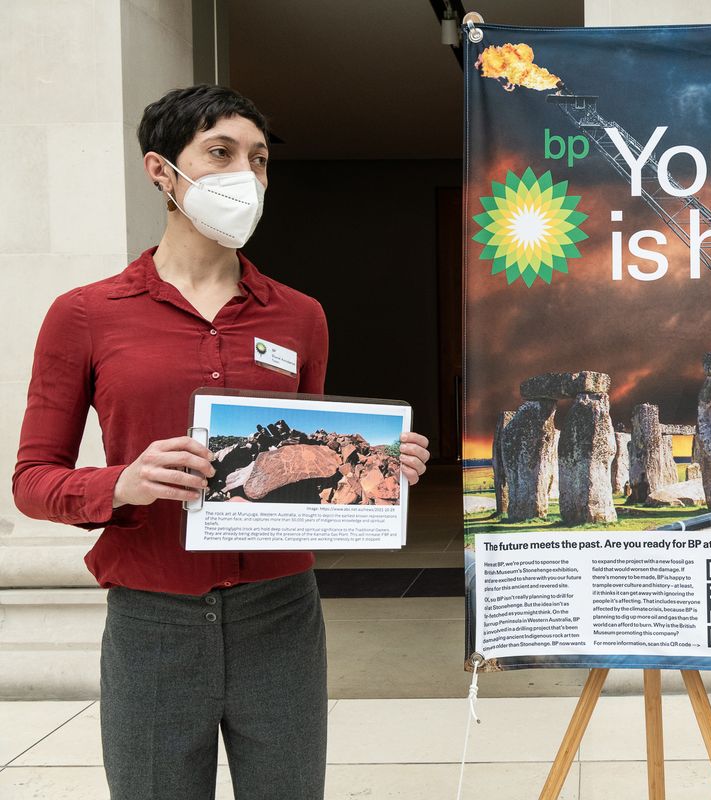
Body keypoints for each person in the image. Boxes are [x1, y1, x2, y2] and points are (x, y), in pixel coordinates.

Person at [12, 84, 431, 799]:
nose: (248, 174)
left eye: (260, 159)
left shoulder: (301, 317)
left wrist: (381, 463)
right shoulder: (84, 315)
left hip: (282, 615)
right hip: (151, 620)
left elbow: (312, 451)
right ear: (159, 171)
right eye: (222, 152)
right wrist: (120, 483)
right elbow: (32, 479)